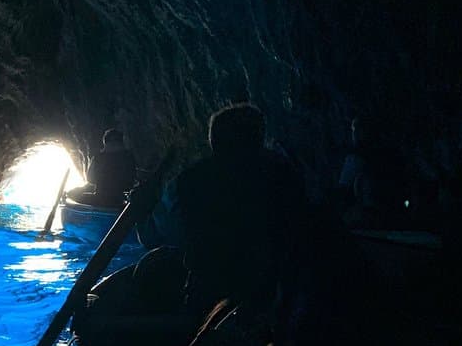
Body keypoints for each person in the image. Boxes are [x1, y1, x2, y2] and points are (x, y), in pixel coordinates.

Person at [132, 103, 308, 318]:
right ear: (259, 137)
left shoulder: (188, 182)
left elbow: (153, 237)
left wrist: (142, 211)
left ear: (213, 142)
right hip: (280, 294)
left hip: (211, 295)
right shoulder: (285, 174)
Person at [68, 129, 136, 207]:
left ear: (105, 143)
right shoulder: (129, 157)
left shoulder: (99, 157)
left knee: (70, 194)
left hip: (99, 199)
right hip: (119, 200)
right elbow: (131, 182)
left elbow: (90, 179)